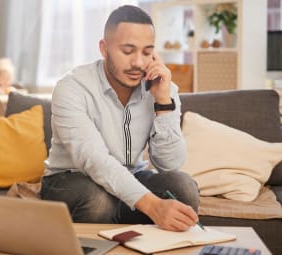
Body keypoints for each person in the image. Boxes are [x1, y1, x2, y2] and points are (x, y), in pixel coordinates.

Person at [40, 5, 200, 232]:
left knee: (183, 188)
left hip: (130, 177)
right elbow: (94, 160)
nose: (138, 63)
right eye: (127, 51)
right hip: (71, 180)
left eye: (147, 52)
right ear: (104, 49)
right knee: (98, 201)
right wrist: (154, 206)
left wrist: (163, 103)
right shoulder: (72, 88)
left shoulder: (163, 88)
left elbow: (170, 164)